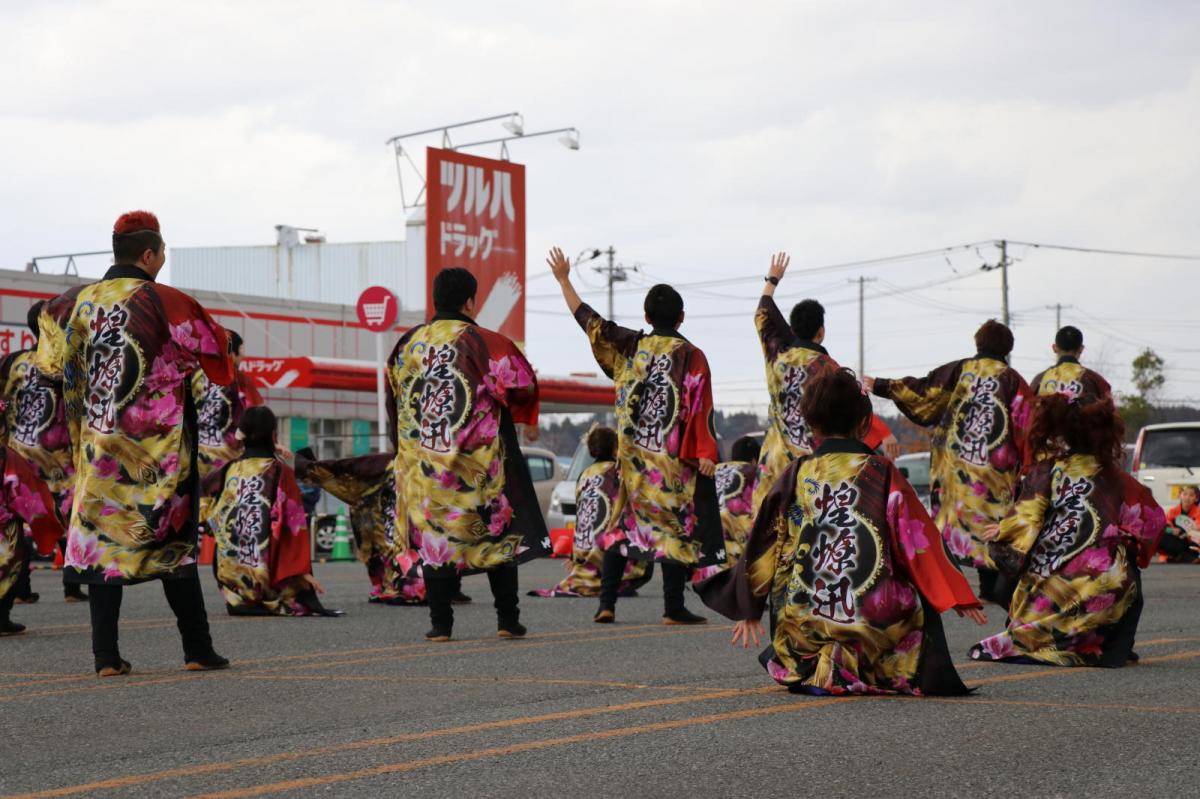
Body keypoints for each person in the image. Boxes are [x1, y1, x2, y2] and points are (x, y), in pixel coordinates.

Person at [698, 367, 987, 695]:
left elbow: (765, 540)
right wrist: (953, 593)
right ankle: (865, 662)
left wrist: (748, 606)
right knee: (910, 610)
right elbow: (918, 539)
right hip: (874, 624)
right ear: (864, 423)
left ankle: (820, 660)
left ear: (812, 424)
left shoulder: (797, 473)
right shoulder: (882, 472)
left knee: (794, 594)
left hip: (809, 621)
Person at [35, 210, 234, 676]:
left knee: (104, 546)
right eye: (162, 253)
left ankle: (106, 658)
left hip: (98, 450)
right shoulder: (166, 301)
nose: (162, 260)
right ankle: (197, 649)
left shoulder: (69, 305)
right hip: (156, 454)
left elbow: (48, 364)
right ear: (149, 254)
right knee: (174, 548)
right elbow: (217, 349)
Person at [550, 247, 723, 626]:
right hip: (672, 465)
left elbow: (588, 320)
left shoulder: (629, 346)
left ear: (645, 316)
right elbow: (700, 408)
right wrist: (707, 451)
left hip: (631, 465)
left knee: (622, 527)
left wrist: (565, 280)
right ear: (681, 318)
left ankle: (606, 603)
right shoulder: (691, 355)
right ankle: (672, 607)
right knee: (673, 529)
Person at [387, 267, 548, 641]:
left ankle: (440, 625)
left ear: (435, 298)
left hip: (424, 468)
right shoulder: (484, 341)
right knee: (497, 539)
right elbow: (522, 385)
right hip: (476, 467)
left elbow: (396, 398)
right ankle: (508, 620)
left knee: (435, 542)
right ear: (470, 301)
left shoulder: (407, 345)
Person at [971, 395, 1164, 668]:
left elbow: (1028, 517)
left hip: (1054, 583)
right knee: (1126, 562)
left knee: (1014, 579)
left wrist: (1004, 529)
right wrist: (1129, 542)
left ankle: (1049, 634)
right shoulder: (1113, 474)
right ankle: (1115, 645)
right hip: (1108, 582)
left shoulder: (1048, 469)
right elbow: (1152, 519)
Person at [865, 319, 1033, 605]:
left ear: (978, 343)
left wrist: (882, 386)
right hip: (994, 477)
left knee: (959, 528)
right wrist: (1030, 469)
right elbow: (1028, 428)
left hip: (955, 474)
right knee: (994, 528)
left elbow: (924, 392)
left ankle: (971, 586)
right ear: (1007, 348)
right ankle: (996, 587)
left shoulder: (959, 371)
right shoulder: (1013, 381)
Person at [752, 253, 897, 516]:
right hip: (814, 474)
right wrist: (884, 432)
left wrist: (773, 279)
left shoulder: (777, 357)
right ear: (821, 332)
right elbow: (857, 407)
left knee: (772, 546)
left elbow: (762, 312)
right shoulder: (829, 369)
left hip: (773, 470)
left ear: (793, 330)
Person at [203, 407, 338, 616]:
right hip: (265, 579)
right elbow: (294, 529)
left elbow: (211, 518)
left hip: (232, 584)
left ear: (242, 433)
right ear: (273, 434)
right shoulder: (279, 471)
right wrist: (301, 571)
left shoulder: (228, 470)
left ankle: (240, 594)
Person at [0, 301, 86, 603]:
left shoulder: (12, 363)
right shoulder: (68, 364)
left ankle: (18, 591)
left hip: (17, 457)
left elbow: (3, 403)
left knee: (16, 524)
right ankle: (72, 585)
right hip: (60, 462)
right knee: (73, 520)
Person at [530, 426, 653, 598]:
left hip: (587, 554)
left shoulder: (585, 475)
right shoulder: (619, 471)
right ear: (614, 448)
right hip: (614, 548)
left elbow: (582, 519)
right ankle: (619, 579)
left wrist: (576, 556)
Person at [295, 449, 427, 605]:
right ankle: (391, 585)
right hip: (384, 487)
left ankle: (389, 585)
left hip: (384, 486)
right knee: (378, 539)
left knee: (381, 539)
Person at [0, 394, 64, 635]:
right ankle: (1, 619)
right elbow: (25, 495)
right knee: (11, 564)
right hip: (4, 527)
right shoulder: (7, 458)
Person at [195, 329, 264, 528]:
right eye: (240, 352)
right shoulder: (238, 379)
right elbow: (254, 416)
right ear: (230, 354)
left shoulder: (191, 374)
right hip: (226, 461)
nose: (242, 357)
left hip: (191, 458)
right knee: (228, 522)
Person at [692, 435, 760, 583]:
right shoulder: (756, 473)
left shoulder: (714, 469)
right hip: (737, 564)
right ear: (755, 459)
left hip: (703, 560)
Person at [1030, 325, 1112, 403]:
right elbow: (1109, 412)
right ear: (1081, 349)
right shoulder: (1095, 381)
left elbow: (1026, 412)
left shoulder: (1039, 380)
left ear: (1054, 348)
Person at [1156, 485, 1199, 563]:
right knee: (1159, 536)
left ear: (1196, 498)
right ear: (1180, 496)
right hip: (1176, 541)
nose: (1187, 498)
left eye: (1191, 495)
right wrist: (1171, 530)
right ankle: (1182, 557)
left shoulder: (1198, 513)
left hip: (1192, 542)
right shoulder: (1172, 511)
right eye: (1185, 494)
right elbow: (1164, 527)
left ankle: (1181, 557)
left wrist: (1192, 531)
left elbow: (1197, 529)